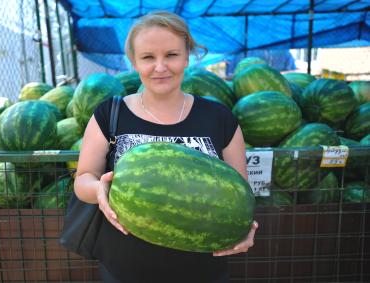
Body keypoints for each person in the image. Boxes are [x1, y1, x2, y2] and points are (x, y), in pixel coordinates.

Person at [74, 11, 258, 283]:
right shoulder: (109, 114)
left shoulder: (220, 118)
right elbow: (83, 179)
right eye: (148, 57)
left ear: (187, 57)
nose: (160, 67)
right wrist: (99, 189)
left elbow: (240, 194)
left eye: (171, 55)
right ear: (134, 62)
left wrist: (245, 228)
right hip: (125, 270)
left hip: (201, 272)